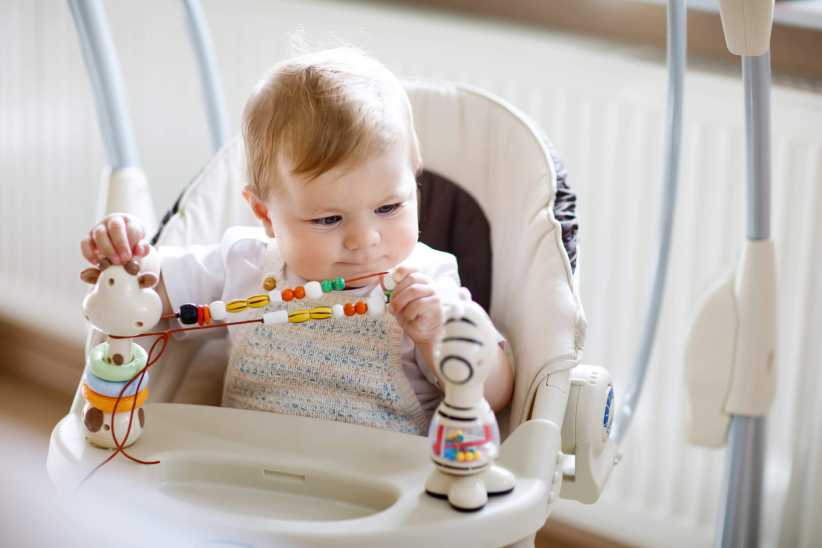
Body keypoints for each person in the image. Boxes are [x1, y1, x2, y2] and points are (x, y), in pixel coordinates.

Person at [80, 48, 513, 435]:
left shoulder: (428, 285)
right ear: (266, 215)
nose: (364, 240)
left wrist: (434, 337)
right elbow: (150, 290)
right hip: (245, 475)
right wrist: (126, 257)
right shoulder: (244, 265)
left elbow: (496, 392)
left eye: (388, 208)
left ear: (414, 177)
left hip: (377, 498)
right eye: (328, 219)